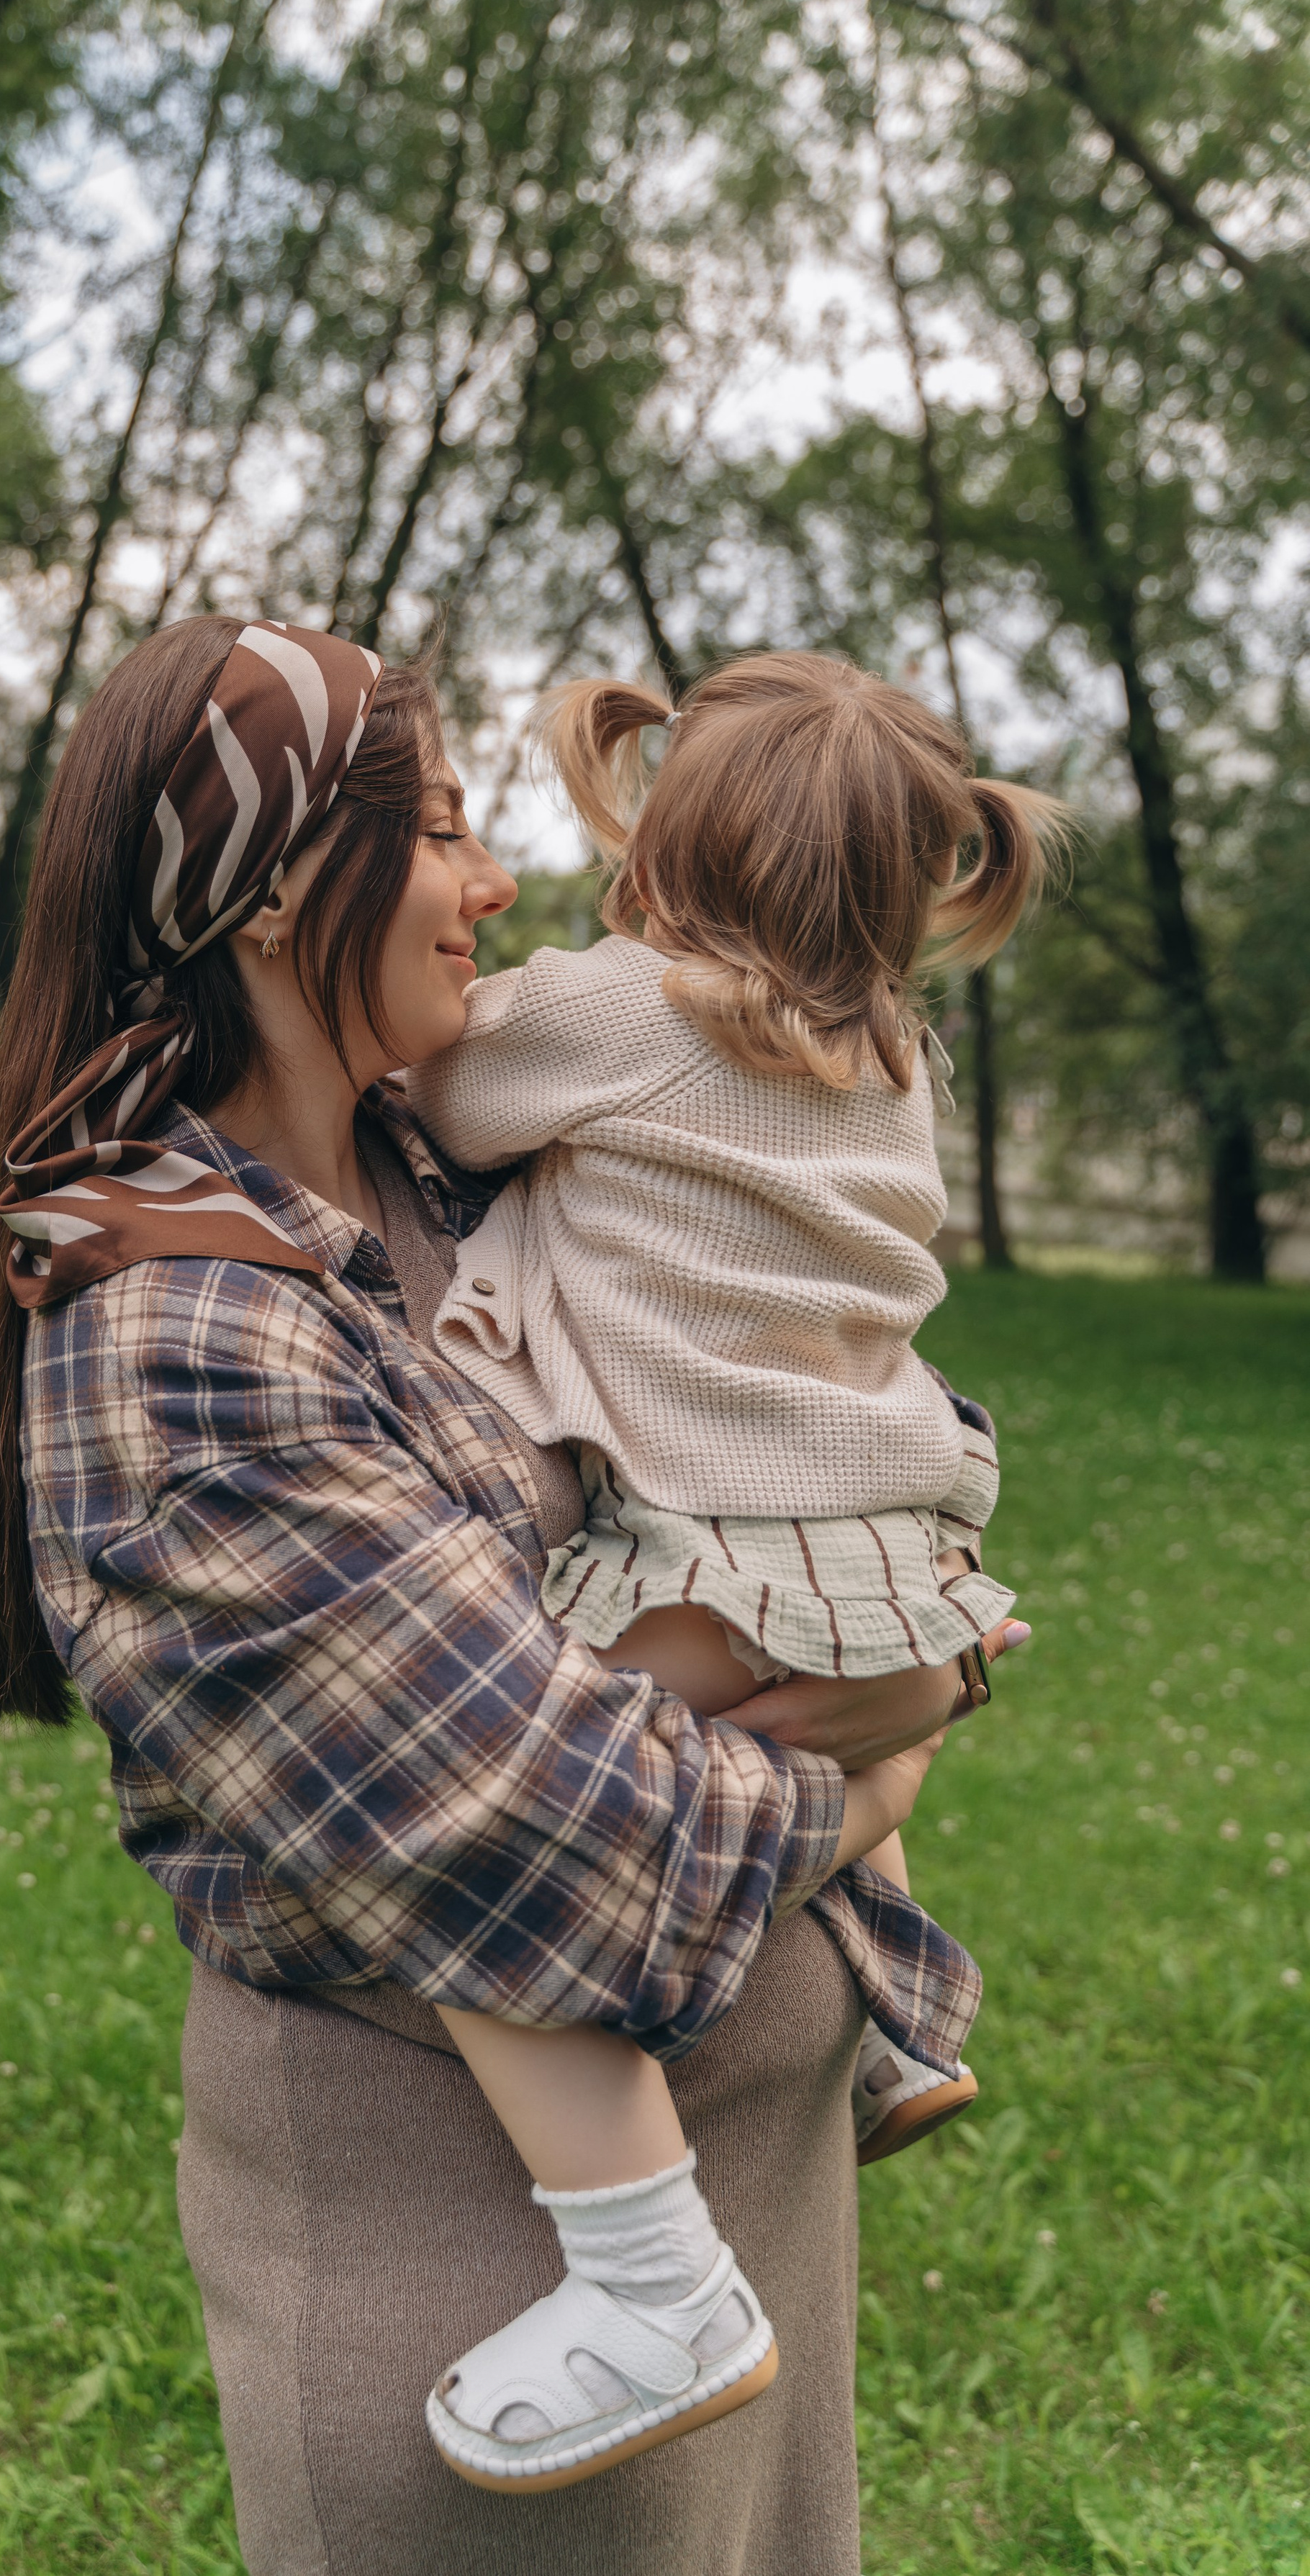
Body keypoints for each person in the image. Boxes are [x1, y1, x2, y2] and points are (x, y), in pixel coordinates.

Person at [0, 615, 1017, 2575]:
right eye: (437, 830)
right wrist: (882, 1770)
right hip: (477, 2278)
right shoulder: (180, 1331)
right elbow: (543, 1816)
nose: (500, 880)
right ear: (272, 896)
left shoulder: (444, 1181)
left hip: (758, 2228)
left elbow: (795, 1387)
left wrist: (875, 1646)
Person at [404, 653, 1063, 2490]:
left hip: (710, 1552)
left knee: (468, 1832)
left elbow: (449, 1100)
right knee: (838, 1769)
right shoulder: (885, 1048)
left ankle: (644, 2270)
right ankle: (894, 2015)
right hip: (894, 1530)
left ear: (666, 837)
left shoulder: (623, 1011)